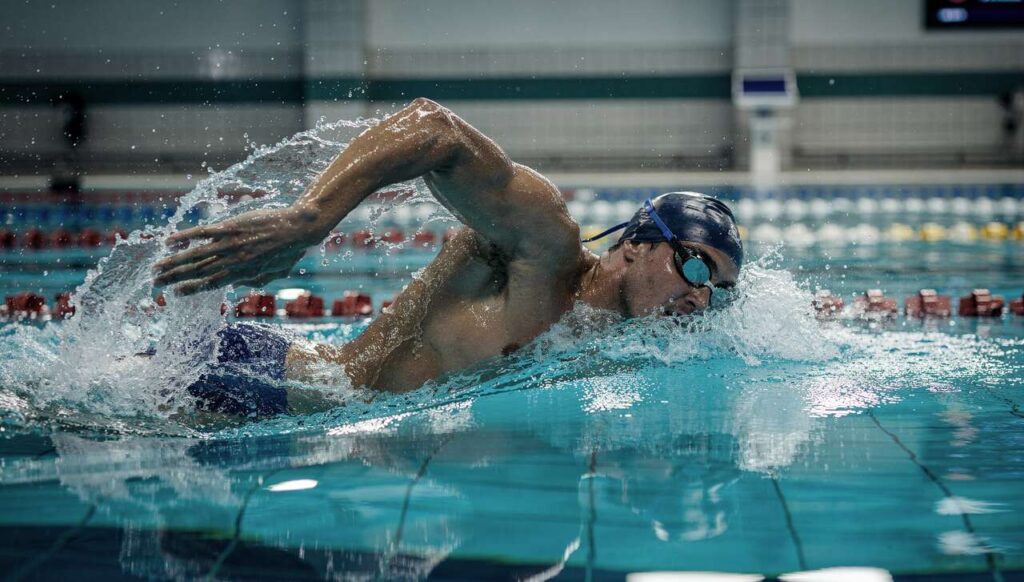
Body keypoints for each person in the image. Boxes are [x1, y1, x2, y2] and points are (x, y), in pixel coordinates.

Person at [153, 98, 743, 417]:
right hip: (258, 378)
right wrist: (309, 220)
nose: (700, 294)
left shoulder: (619, 340)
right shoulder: (541, 249)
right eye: (695, 264)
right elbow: (437, 129)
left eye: (718, 287)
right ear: (637, 244)